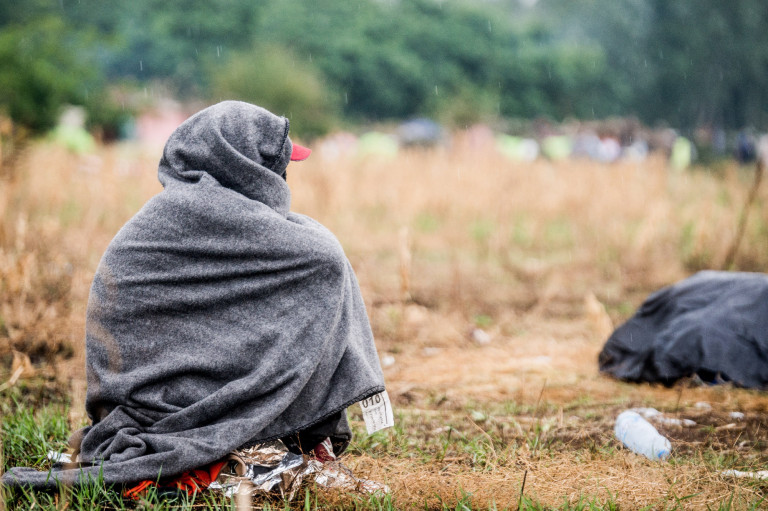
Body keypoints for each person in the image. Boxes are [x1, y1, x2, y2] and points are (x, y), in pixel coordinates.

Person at [3, 101, 388, 491]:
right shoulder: (284, 243)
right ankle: (289, 431)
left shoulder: (157, 218)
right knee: (326, 269)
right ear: (247, 166)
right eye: (279, 165)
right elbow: (325, 261)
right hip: (174, 408)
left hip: (127, 405)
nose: (284, 177)